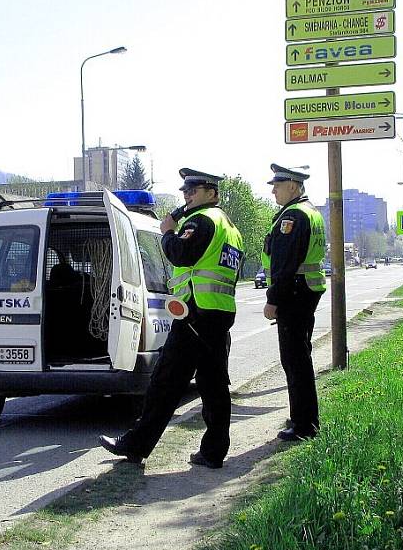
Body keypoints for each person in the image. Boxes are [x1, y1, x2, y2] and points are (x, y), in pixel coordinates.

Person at [99, 168, 244, 468]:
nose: (187, 195)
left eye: (194, 189)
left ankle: (136, 445)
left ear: (212, 193)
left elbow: (180, 254)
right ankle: (213, 451)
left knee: (165, 382)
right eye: (185, 191)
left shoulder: (202, 220)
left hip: (194, 314)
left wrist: (167, 231)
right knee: (213, 385)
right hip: (216, 314)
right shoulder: (230, 227)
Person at [262, 164, 327, 441]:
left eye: (277, 184)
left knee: (294, 360)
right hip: (305, 290)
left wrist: (273, 299)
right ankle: (304, 418)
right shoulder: (310, 212)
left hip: (294, 293)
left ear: (293, 185)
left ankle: (303, 426)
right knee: (300, 358)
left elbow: (285, 264)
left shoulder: (293, 216)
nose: (273, 189)